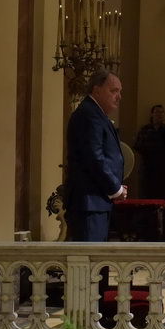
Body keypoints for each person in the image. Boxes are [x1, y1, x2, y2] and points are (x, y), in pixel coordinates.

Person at [65, 69, 127, 241]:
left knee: (97, 264)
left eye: (120, 92)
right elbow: (95, 158)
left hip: (97, 201)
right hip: (89, 203)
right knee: (89, 263)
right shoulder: (89, 115)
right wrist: (116, 188)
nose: (119, 97)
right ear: (96, 89)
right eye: (114, 91)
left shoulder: (97, 114)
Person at [133, 104, 165, 198]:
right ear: (152, 114)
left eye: (161, 112)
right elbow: (137, 146)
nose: (159, 114)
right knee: (145, 194)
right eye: (157, 112)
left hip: (162, 169)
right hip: (147, 168)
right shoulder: (145, 130)